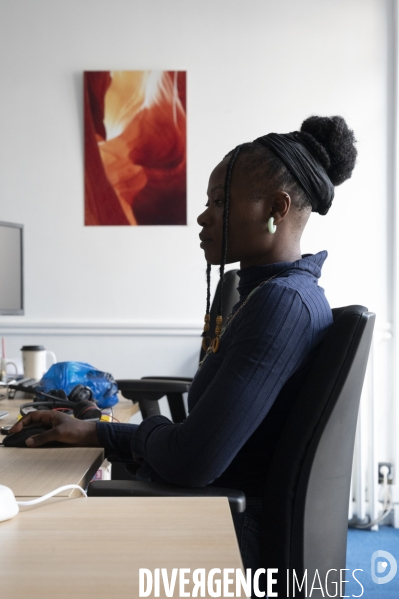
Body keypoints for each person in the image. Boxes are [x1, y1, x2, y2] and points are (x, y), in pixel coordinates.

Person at [10, 114, 357, 577]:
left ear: (277, 208)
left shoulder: (281, 306)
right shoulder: (275, 296)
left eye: (219, 201)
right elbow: (199, 447)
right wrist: (98, 430)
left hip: (229, 540)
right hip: (223, 516)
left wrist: (110, 434)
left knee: (32, 552)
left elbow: (193, 461)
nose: (203, 214)